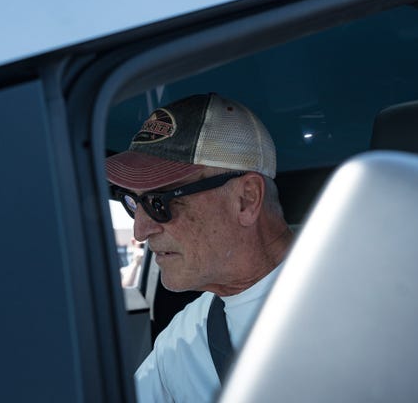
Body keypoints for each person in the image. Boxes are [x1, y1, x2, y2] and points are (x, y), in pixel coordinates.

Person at [106, 92, 294, 402]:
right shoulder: (184, 339)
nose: (140, 230)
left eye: (159, 202)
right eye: (133, 203)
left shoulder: (365, 304)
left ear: (246, 199)